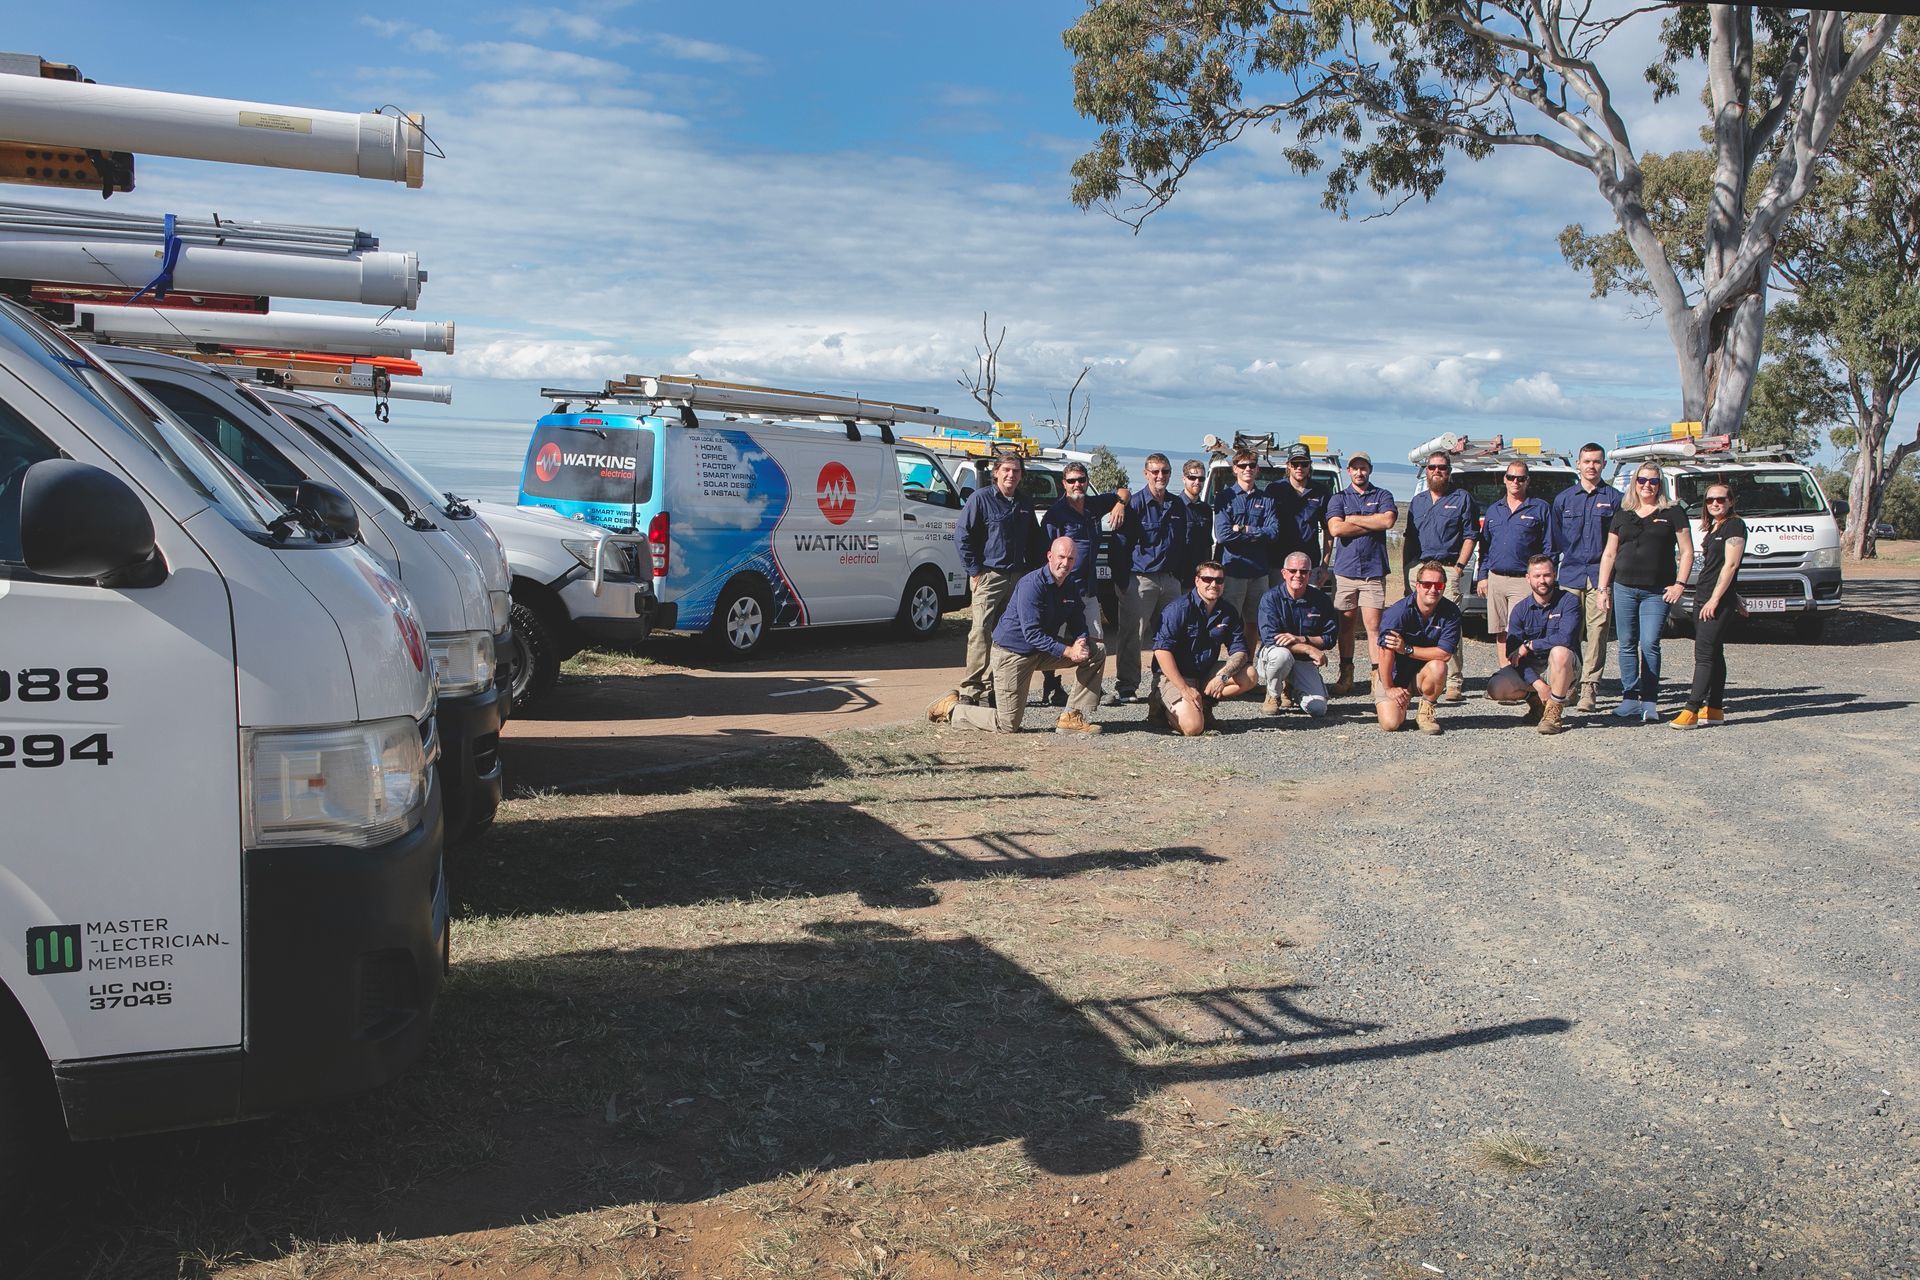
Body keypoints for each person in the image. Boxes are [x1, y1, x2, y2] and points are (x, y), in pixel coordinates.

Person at [928, 536, 1104, 734]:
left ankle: (1071, 716)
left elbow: (1078, 619)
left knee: (1096, 651)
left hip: (1040, 652)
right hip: (1012, 655)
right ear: (1049, 556)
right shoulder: (1032, 585)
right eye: (1061, 557)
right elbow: (1032, 634)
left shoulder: (1070, 585)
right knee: (1008, 724)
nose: (1065, 563)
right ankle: (952, 708)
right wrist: (1069, 650)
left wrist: (1081, 641)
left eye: (1071, 559)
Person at [1597, 463, 1694, 723]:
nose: (1647, 486)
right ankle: (1629, 698)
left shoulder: (1672, 513)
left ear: (1660, 484)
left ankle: (1649, 701)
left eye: (1653, 481)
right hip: (1624, 587)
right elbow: (1609, 553)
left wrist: (1680, 584)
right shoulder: (1623, 513)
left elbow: (1687, 552)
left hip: (1657, 590)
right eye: (1642, 480)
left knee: (1649, 643)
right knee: (1626, 644)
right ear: (1634, 483)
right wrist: (1602, 588)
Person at [954, 452, 1039, 705]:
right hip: (990, 576)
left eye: (1016, 471)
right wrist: (975, 570)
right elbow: (962, 536)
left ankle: (996, 688)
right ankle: (971, 689)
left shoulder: (1024, 503)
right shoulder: (980, 500)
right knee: (980, 632)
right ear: (996, 473)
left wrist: (1034, 576)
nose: (1011, 475)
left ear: (1021, 475)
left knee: (1007, 635)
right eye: (1006, 470)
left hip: (1018, 578)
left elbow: (1033, 541)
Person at [1040, 462, 1128, 706]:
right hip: (1060, 591)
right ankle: (1051, 685)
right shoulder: (1055, 515)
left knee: (1096, 640)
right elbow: (1044, 554)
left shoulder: (1093, 505)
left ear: (1087, 481)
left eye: (1081, 479)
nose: (1077, 484)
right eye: (1071, 481)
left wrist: (1119, 505)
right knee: (1053, 642)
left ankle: (1090, 691)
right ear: (1064, 484)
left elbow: (1123, 491)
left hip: (1088, 591)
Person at [1401, 450, 1479, 702]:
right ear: (1426, 470)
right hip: (1419, 568)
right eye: (1433, 467)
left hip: (1447, 568)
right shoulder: (1419, 501)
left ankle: (1454, 681)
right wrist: (1406, 570)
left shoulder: (1462, 498)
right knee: (1416, 623)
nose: (1437, 471)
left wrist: (1458, 567)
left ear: (1449, 471)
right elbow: (1409, 539)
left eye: (1442, 468)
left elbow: (1471, 535)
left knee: (1449, 623)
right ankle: (1419, 673)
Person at [1112, 453, 1188, 705]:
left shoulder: (1177, 506)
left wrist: (1180, 577)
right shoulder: (1133, 505)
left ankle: (1163, 682)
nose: (1160, 476)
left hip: (1170, 579)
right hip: (1140, 580)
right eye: (1155, 472)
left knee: (1170, 633)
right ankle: (1127, 686)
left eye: (1165, 472)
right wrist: (1123, 582)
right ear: (1146, 474)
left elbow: (1182, 543)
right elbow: (1119, 546)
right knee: (1133, 634)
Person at [1150, 560, 1259, 736]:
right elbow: (1162, 652)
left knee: (1250, 675)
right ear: (1197, 581)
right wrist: (1184, 688)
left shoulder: (1228, 611)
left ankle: (1204, 706)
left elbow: (1240, 652)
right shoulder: (1178, 609)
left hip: (1205, 673)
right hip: (1175, 676)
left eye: (1219, 580)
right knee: (1193, 729)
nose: (1213, 584)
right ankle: (1160, 706)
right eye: (1207, 579)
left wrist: (1223, 677)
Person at [1551, 443, 1619, 712]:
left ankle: (1590, 687)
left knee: (1598, 631)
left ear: (1604, 465)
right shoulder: (1564, 499)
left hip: (1600, 577)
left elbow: (1618, 543)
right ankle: (1570, 684)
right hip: (1570, 574)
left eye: (1597, 462)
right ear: (1577, 464)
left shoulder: (1615, 498)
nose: (1591, 466)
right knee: (1568, 632)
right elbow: (1554, 541)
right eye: (1587, 461)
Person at [1673, 482, 1745, 730]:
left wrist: (1718, 599)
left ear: (1731, 501)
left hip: (1714, 600)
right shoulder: (1715, 527)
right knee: (1715, 652)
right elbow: (1716, 567)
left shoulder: (1735, 525)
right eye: (1710, 499)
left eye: (1721, 499)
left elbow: (1731, 566)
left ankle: (1691, 709)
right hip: (1705, 595)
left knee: (1703, 655)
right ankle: (1714, 708)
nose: (1715, 503)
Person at [1324, 452, 1397, 696]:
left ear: (1370, 469)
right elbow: (1335, 528)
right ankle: (1346, 674)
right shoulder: (1338, 498)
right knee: (1345, 624)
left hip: (1373, 572)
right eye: (1355, 468)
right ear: (1348, 471)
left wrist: (1353, 519)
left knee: (1373, 626)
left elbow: (1387, 521)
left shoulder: (1383, 495)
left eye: (1363, 468)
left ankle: (1378, 675)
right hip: (1345, 572)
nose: (1359, 472)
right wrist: (1369, 521)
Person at [1486, 554, 1580, 735]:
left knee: (1559, 652)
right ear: (1528, 579)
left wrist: (1529, 645)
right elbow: (1513, 655)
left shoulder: (1569, 602)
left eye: (1547, 575)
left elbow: (1566, 639)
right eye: (1537, 576)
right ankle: (1537, 702)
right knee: (1496, 687)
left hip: (1564, 667)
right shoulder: (1520, 610)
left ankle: (1554, 712)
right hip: (1534, 669)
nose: (1542, 581)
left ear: (1555, 575)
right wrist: (1538, 685)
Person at [1475, 459, 1554, 673]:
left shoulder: (1540, 508)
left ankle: (1523, 673)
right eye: (1511, 477)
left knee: (1519, 628)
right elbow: (1485, 547)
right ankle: (1505, 673)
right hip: (1496, 578)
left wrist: (1542, 578)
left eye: (1520, 478)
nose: (1515, 482)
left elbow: (1549, 546)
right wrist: (1483, 576)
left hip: (1524, 580)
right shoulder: (1494, 510)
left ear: (1527, 481)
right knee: (1500, 629)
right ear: (1505, 479)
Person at [1373, 560, 1461, 734]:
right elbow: (1385, 652)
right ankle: (1392, 697)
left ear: (1444, 587)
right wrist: (1390, 688)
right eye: (1427, 584)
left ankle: (1425, 711)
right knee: (1391, 724)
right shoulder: (1398, 612)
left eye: (1438, 584)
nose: (1433, 589)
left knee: (1439, 666)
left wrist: (1407, 649)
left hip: (1422, 675)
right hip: (1394, 675)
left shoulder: (1451, 612)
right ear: (1417, 586)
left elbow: (1444, 654)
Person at [1254, 551, 1338, 718]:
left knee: (1318, 709)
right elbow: (1271, 638)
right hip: (1275, 656)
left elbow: (1330, 638)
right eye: (1293, 571)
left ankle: (1293, 689)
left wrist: (1303, 639)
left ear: (1310, 574)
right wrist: (1309, 649)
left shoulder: (1321, 600)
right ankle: (1273, 693)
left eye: (1303, 571)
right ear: (1284, 573)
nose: (1298, 575)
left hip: (1303, 662)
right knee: (1281, 655)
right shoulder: (1270, 598)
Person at [1212, 448, 1279, 626]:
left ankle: (1248, 655)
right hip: (1233, 571)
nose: (1247, 469)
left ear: (1258, 469)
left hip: (1259, 573)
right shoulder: (1225, 498)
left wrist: (1244, 529)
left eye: (1252, 465)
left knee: (1254, 623)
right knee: (1227, 622)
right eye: (1242, 465)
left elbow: (1273, 533)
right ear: (1235, 468)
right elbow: (1224, 535)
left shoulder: (1267, 500)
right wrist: (1258, 533)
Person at [1268, 442, 1331, 585]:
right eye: (1295, 463)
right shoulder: (1274, 490)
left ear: (1310, 465)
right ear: (1288, 465)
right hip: (1278, 564)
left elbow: (1329, 531)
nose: (1299, 468)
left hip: (1309, 565)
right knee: (1279, 605)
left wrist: (1325, 565)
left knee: (1310, 607)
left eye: (1304, 463)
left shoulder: (1321, 491)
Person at [1176, 459, 1214, 579]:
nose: (1197, 482)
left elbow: (1208, 544)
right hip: (1179, 576)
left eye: (1201, 479)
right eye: (1192, 478)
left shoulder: (1206, 510)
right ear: (1184, 479)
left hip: (1200, 576)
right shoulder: (1173, 507)